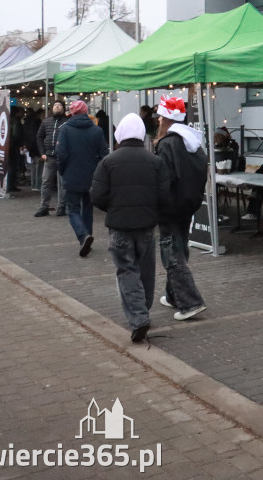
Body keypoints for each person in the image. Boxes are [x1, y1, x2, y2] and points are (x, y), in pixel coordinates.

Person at [91, 113, 170, 344]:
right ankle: (142, 312)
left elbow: (97, 195)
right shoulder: (155, 162)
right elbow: (164, 196)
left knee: (127, 270)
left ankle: (139, 317)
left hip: (119, 226)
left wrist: (114, 209)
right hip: (146, 225)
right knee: (145, 271)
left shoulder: (108, 161)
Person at [154, 96, 208, 321]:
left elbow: (163, 179)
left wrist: (158, 204)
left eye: (160, 116)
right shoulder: (192, 141)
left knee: (172, 253)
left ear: (165, 119)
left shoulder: (167, 144)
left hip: (171, 207)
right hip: (188, 205)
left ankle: (190, 302)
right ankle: (173, 295)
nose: (157, 120)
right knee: (178, 248)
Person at [56, 100, 108, 257]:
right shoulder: (96, 131)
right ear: (86, 112)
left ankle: (83, 235)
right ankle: (87, 236)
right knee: (87, 208)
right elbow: (104, 156)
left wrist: (63, 171)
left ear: (71, 113)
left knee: (72, 209)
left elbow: (61, 155)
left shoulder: (65, 130)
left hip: (71, 175)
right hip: (91, 177)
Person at [35, 101, 69, 217]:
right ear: (52, 108)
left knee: (63, 183)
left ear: (63, 108)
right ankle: (44, 206)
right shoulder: (46, 122)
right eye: (55, 105)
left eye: (59, 105)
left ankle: (62, 206)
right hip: (49, 157)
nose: (57, 107)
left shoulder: (67, 122)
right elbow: (39, 137)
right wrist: (42, 152)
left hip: (63, 157)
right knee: (46, 182)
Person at [24, 108, 43, 191]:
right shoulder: (37, 122)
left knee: (34, 166)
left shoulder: (29, 122)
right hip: (37, 147)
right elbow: (37, 136)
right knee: (38, 166)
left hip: (32, 146)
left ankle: (34, 184)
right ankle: (37, 185)